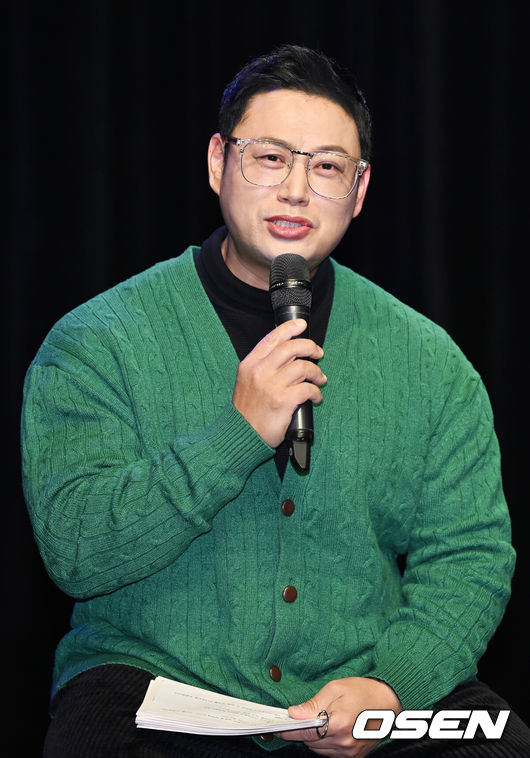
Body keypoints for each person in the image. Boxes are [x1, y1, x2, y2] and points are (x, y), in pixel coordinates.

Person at [21, 44, 529, 757]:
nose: (296, 190)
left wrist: (392, 689)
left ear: (359, 189)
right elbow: (76, 551)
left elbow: (470, 555)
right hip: (158, 686)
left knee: (500, 744)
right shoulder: (97, 341)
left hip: (361, 685)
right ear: (217, 163)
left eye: (327, 167)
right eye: (269, 158)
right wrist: (236, 435)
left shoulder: (431, 361)